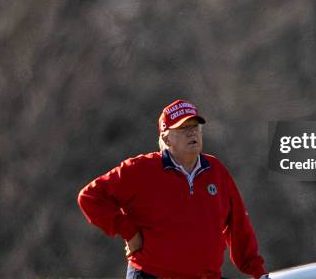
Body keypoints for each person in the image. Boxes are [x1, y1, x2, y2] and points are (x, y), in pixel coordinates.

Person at [77, 99, 268, 278]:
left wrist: (257, 271)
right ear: (166, 139)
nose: (192, 133)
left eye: (195, 127)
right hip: (152, 274)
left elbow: (239, 225)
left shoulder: (216, 171)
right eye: (183, 128)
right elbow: (90, 197)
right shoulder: (140, 169)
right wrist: (128, 231)